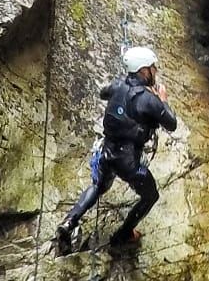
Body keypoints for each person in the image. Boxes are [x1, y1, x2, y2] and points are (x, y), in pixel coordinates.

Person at [55, 45, 177, 255]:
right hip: (128, 161)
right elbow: (171, 123)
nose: (155, 71)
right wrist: (162, 100)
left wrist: (121, 92)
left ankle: (69, 222)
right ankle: (123, 236)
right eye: (152, 68)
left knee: (98, 186)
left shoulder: (117, 86)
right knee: (150, 196)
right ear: (143, 71)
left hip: (107, 151)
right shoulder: (149, 100)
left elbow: (104, 93)